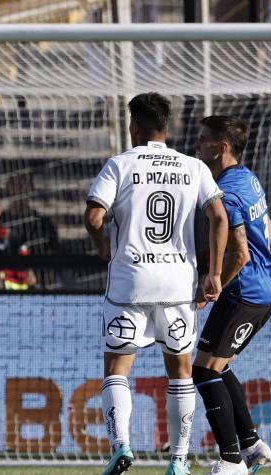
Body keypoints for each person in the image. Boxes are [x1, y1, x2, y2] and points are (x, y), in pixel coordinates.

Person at [84, 92, 228, 475]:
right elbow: (218, 217)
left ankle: (121, 447)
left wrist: (102, 247)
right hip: (178, 283)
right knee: (180, 372)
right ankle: (178, 461)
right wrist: (213, 273)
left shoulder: (120, 164)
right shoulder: (194, 167)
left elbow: (95, 215)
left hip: (129, 281)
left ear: (134, 125)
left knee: (117, 368)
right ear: (166, 127)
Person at [192, 116, 271, 475]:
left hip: (244, 293)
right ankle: (250, 443)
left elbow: (241, 254)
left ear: (222, 147)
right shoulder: (247, 178)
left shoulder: (227, 192)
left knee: (204, 370)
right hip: (263, 289)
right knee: (218, 364)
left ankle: (231, 460)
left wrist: (214, 283)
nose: (198, 145)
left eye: (203, 140)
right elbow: (270, 229)